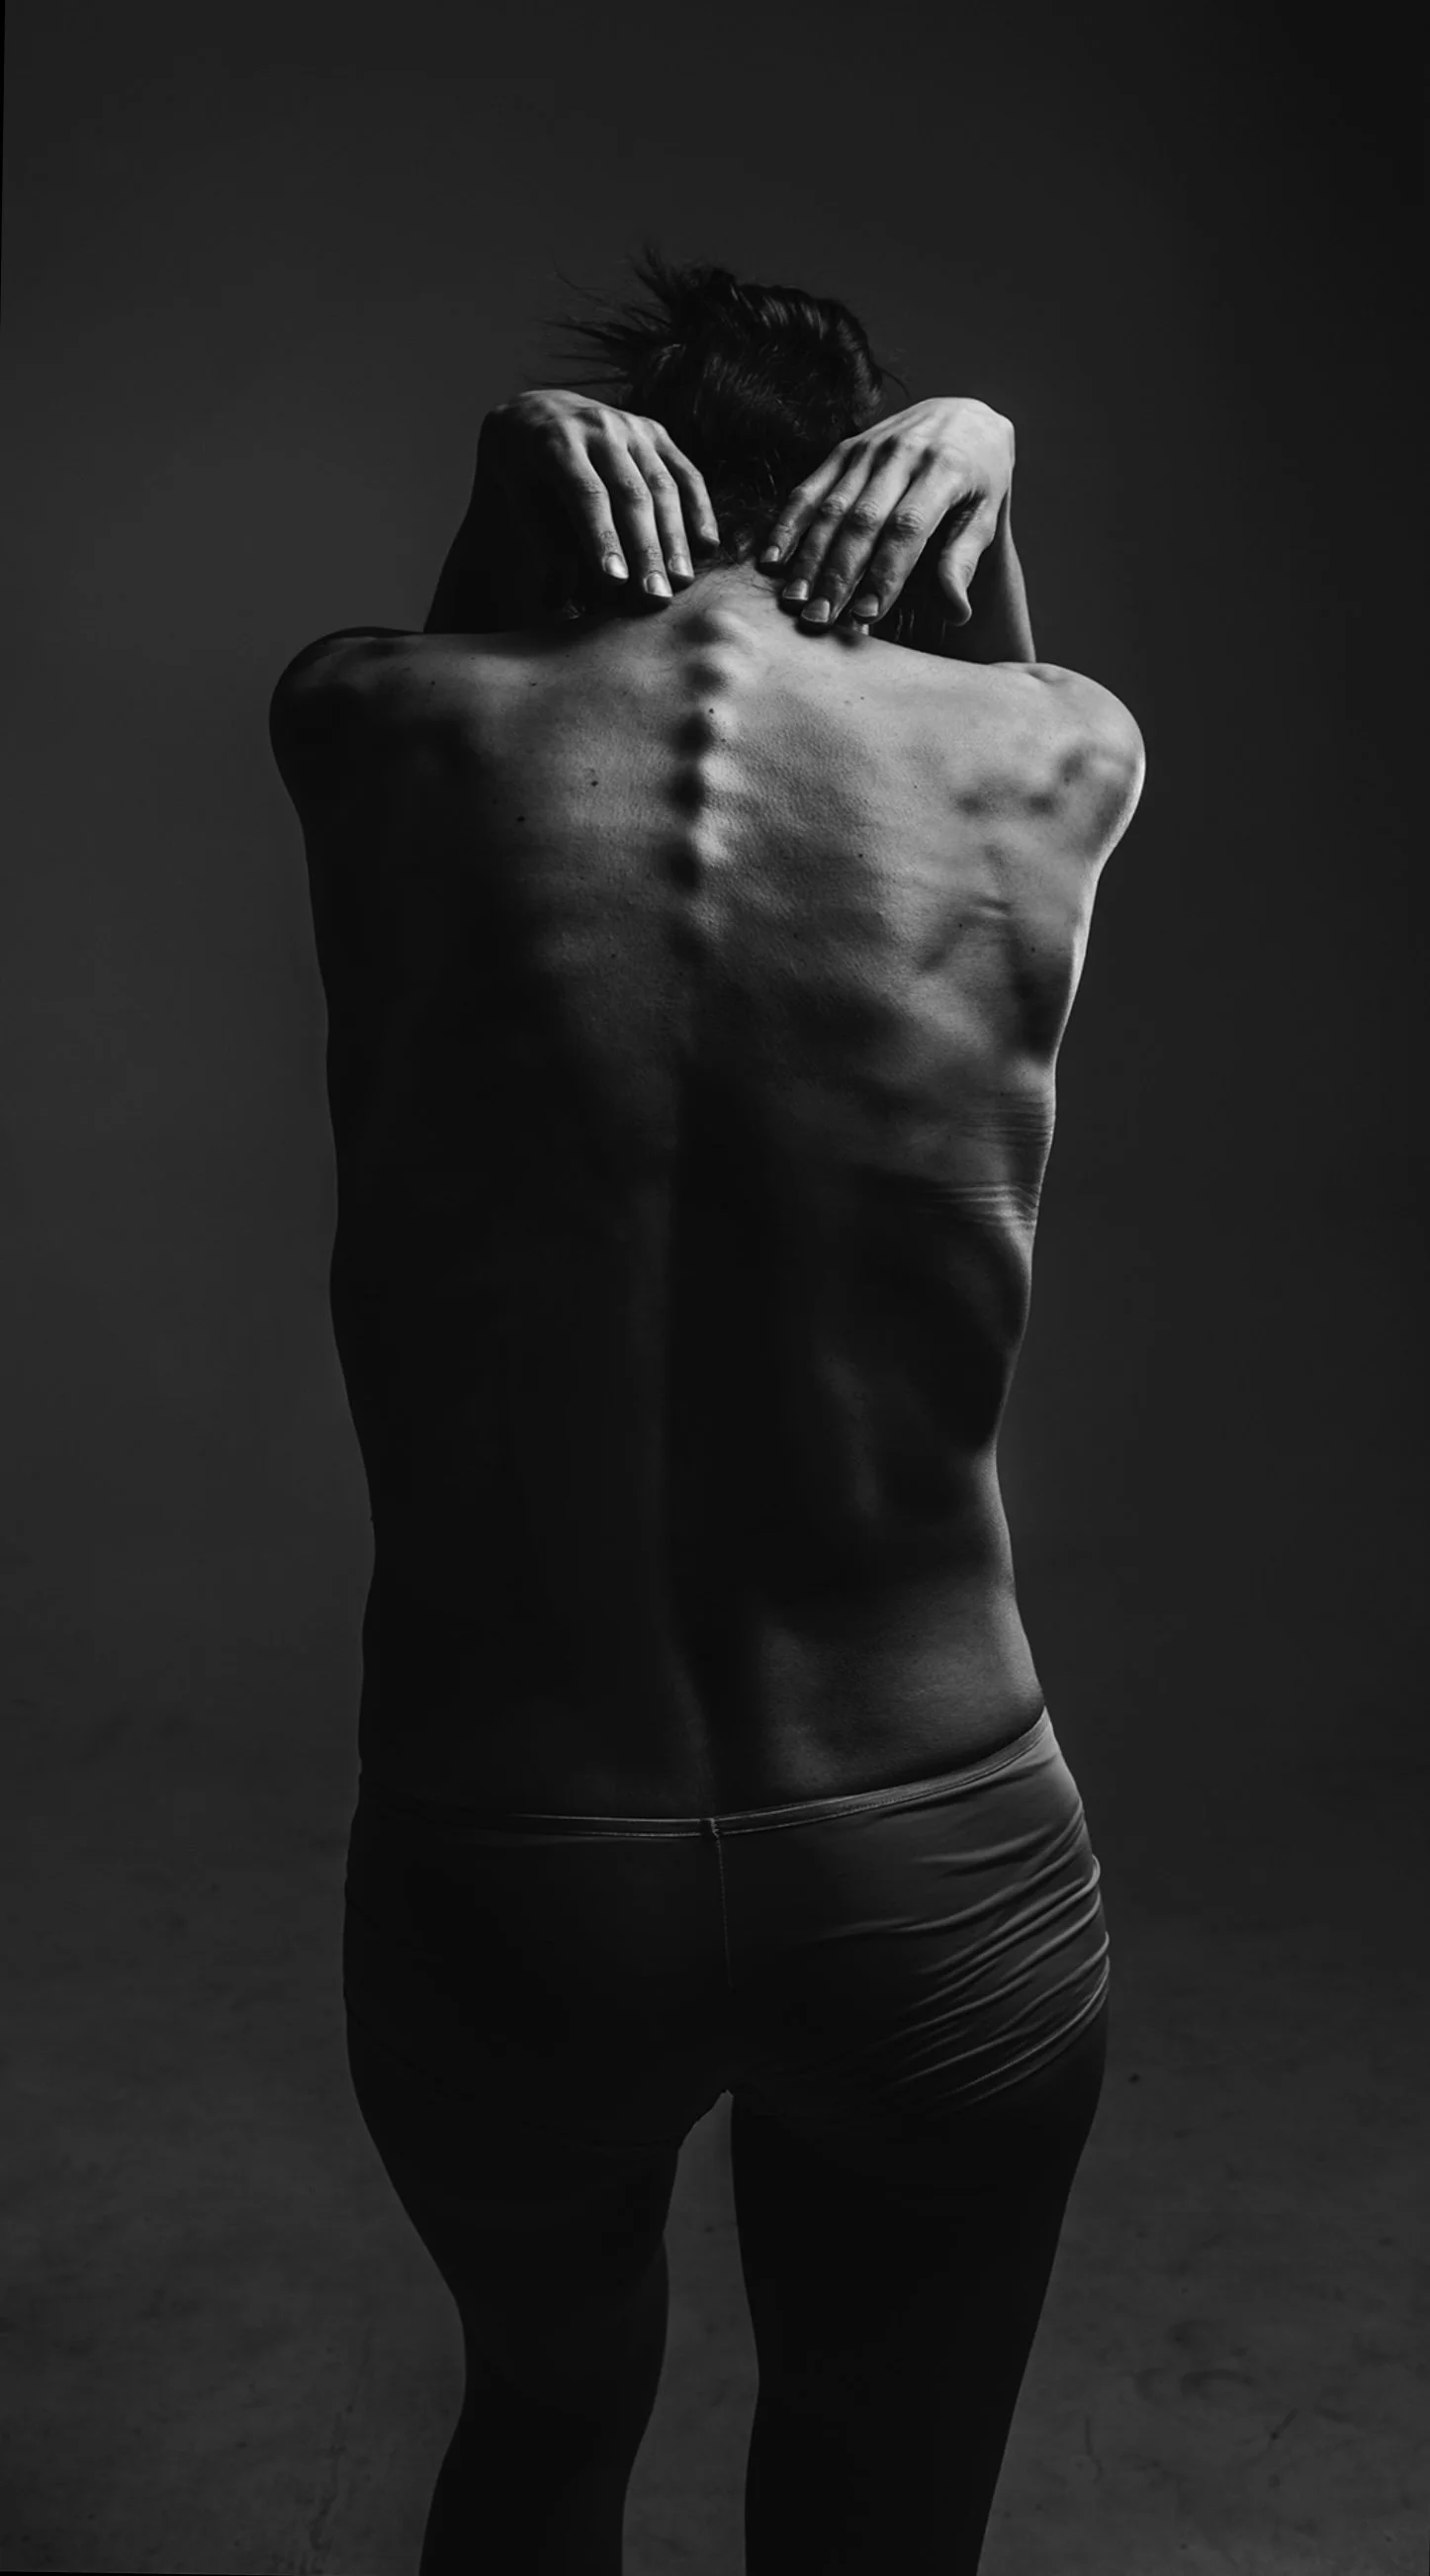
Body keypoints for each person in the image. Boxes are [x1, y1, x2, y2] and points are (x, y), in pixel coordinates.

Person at [269, 251, 1144, 2576]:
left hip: (507, 1846)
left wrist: (502, 498)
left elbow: (441, 681)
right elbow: (1019, 698)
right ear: (878, 499)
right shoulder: (1053, 746)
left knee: (544, 2421)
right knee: (880, 2515)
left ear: (610, 488)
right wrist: (990, 458)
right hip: (926, 1836)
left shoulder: (377, 724)